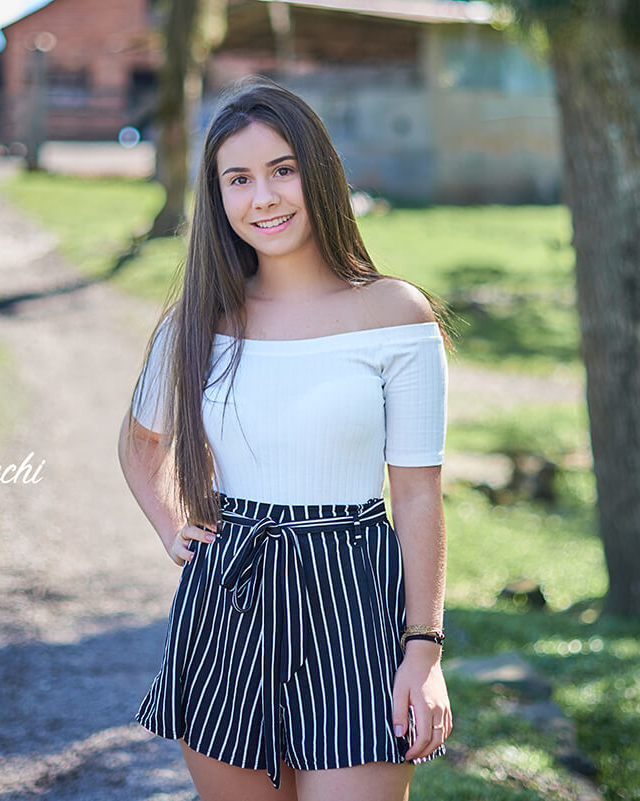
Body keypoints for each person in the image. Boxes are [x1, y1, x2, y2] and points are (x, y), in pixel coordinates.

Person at [117, 75, 453, 801]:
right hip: (227, 597)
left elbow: (419, 492)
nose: (262, 197)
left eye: (282, 170)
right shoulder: (198, 321)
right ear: (218, 196)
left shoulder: (395, 313)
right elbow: (142, 444)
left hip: (355, 598)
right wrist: (172, 526)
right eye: (238, 179)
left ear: (319, 174)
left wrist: (423, 651)